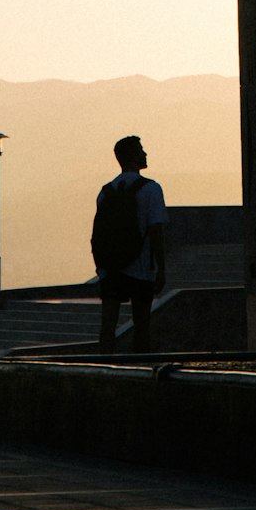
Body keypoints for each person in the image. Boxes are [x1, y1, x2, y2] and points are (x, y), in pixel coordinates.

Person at [93, 135, 167, 354]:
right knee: (142, 325)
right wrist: (161, 268)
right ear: (133, 156)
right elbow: (156, 231)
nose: (145, 154)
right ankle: (140, 369)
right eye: (141, 150)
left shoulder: (105, 192)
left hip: (110, 268)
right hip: (140, 269)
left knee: (108, 325)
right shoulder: (151, 189)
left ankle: (104, 368)